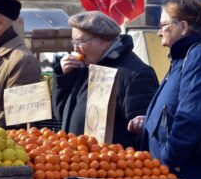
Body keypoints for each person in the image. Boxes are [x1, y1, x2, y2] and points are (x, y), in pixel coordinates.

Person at [128, 0, 201, 179]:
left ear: (183, 27)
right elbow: (175, 107)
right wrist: (150, 121)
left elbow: (193, 115)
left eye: (163, 25)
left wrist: (169, 158)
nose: (159, 33)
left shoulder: (198, 55)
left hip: (190, 173)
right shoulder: (182, 58)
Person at [52, 11, 159, 148]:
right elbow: (61, 116)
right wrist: (64, 78)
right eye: (73, 42)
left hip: (110, 165)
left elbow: (142, 133)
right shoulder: (85, 67)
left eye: (80, 42)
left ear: (103, 42)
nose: (75, 49)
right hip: (78, 163)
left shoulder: (135, 74)